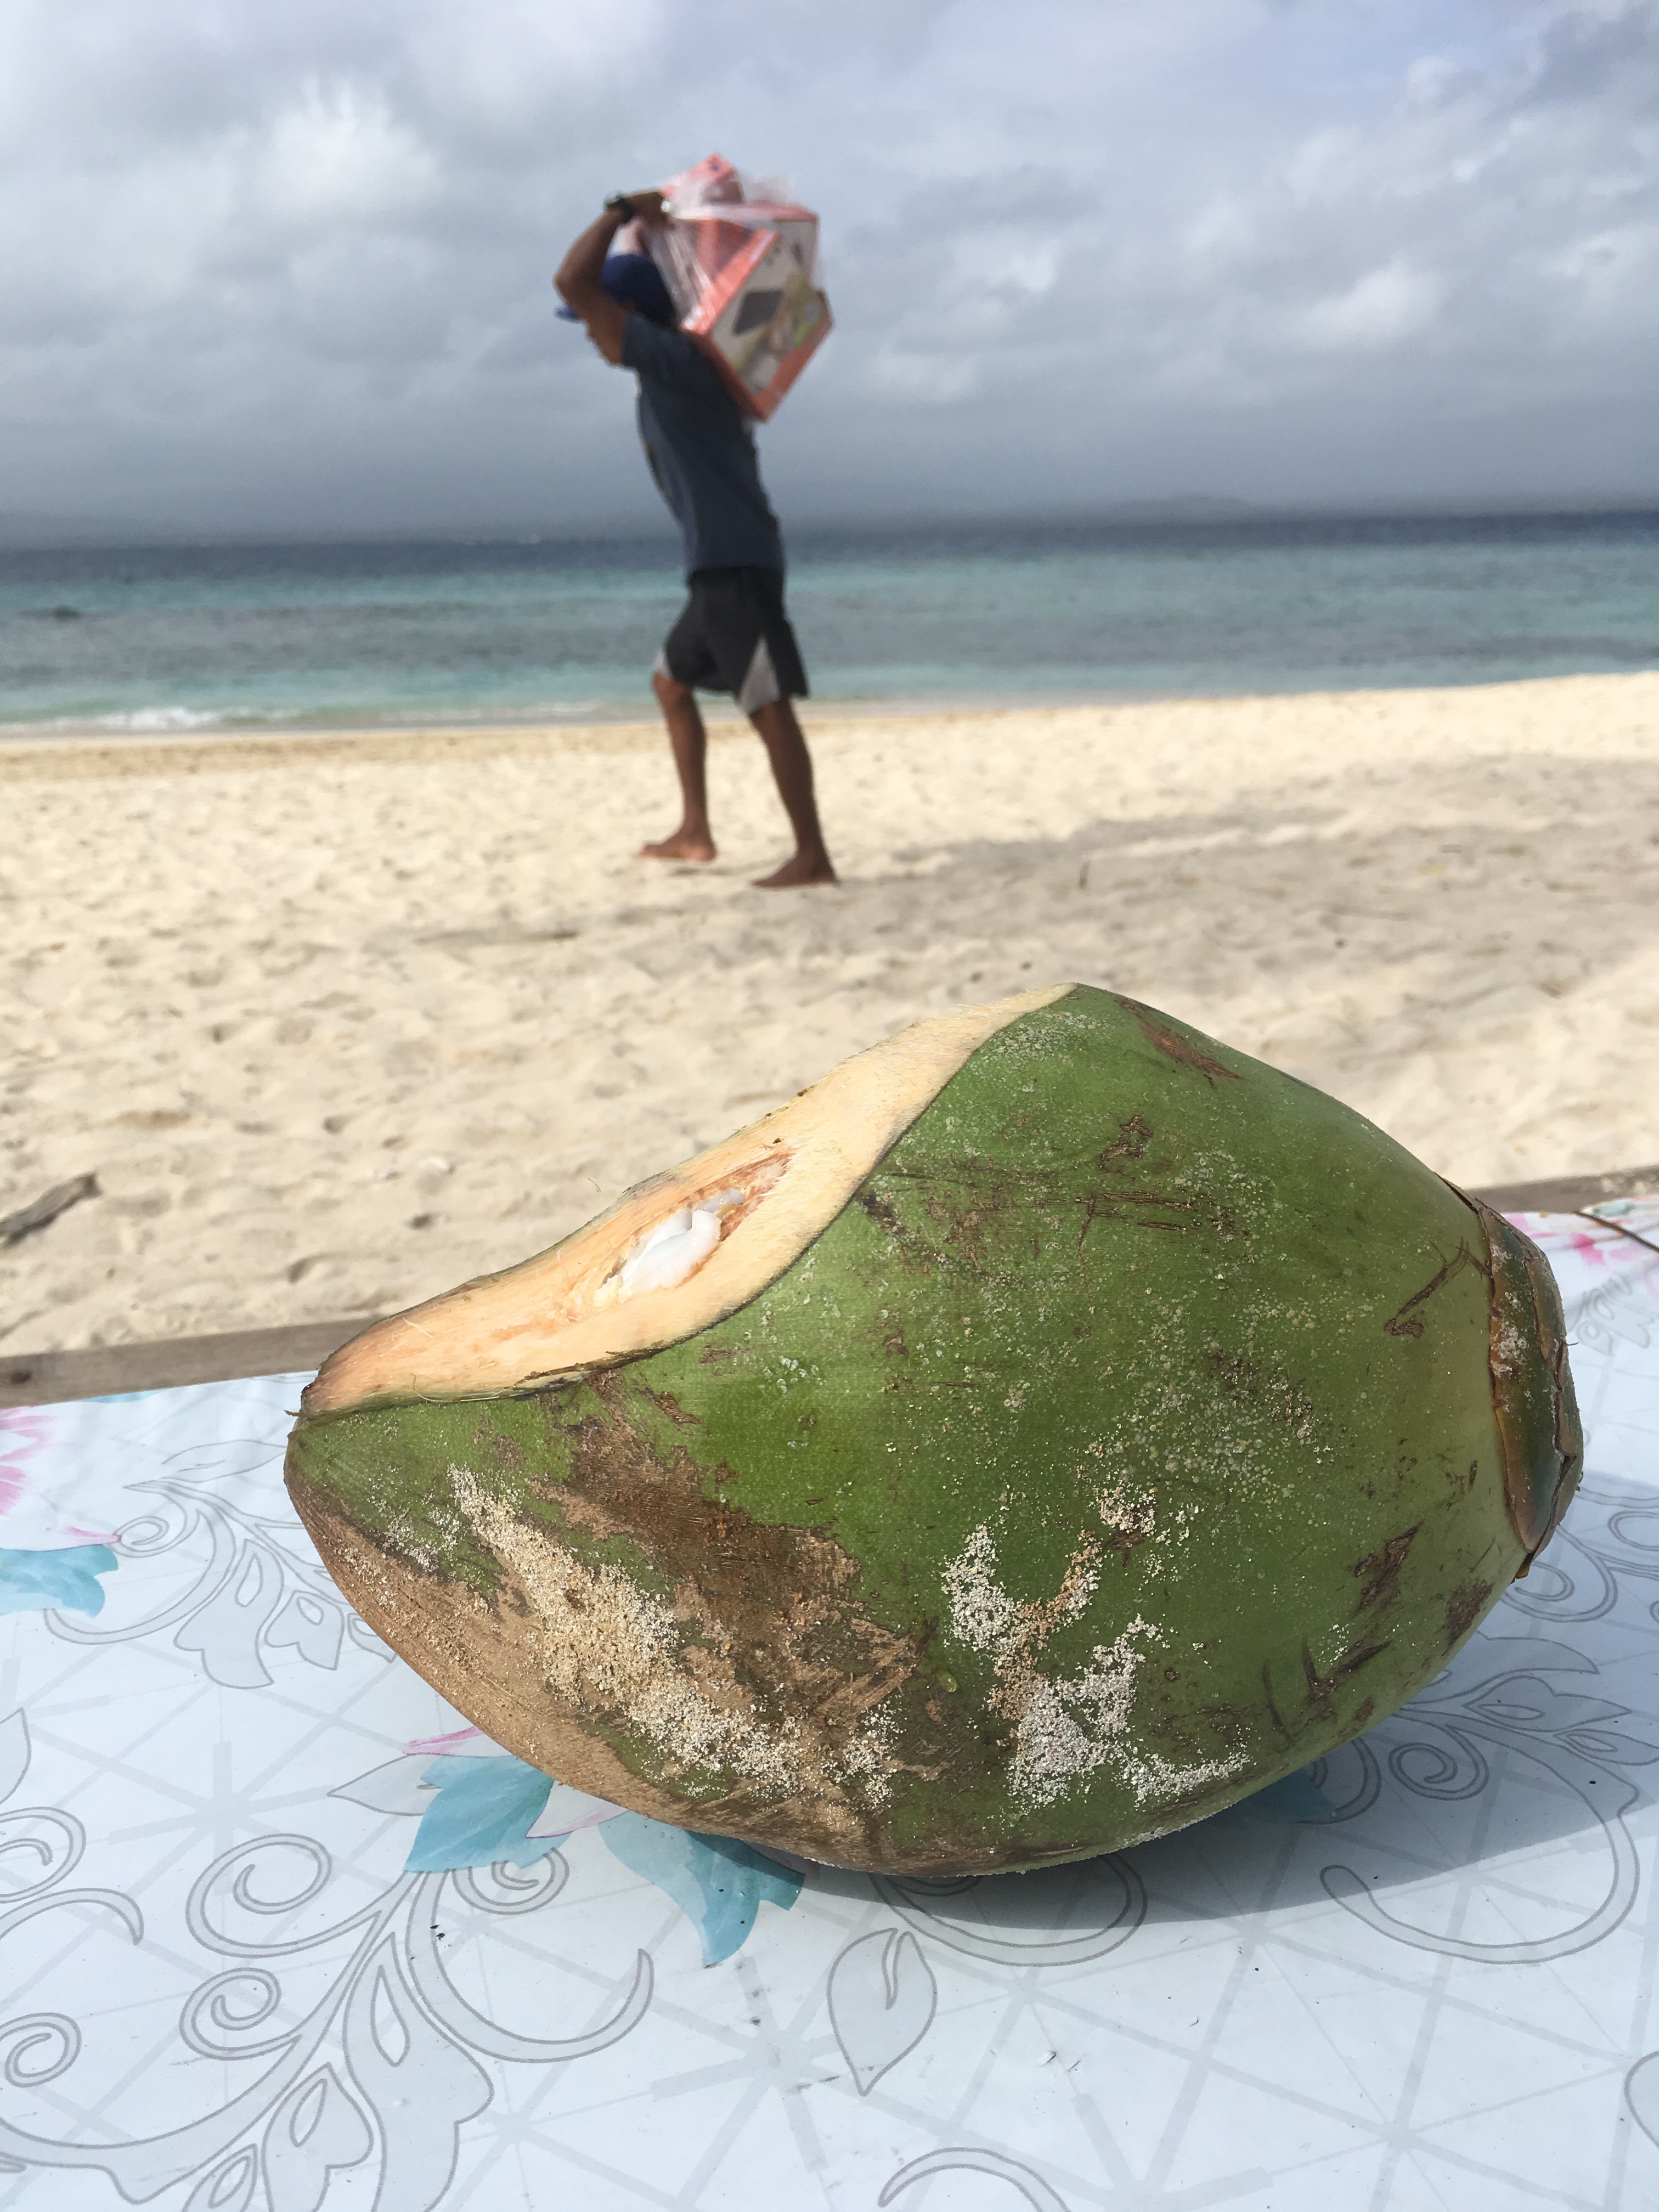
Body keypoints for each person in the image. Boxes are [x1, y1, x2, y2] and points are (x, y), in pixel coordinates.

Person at [555, 190, 836, 889]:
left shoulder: (670, 359)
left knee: (766, 705)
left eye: (594, 323)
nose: (588, 335)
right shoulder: (672, 368)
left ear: (629, 312)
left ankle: (813, 856)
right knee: (671, 684)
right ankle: (695, 832)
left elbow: (571, 282)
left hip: (733, 562)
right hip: (719, 562)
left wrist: (622, 211)